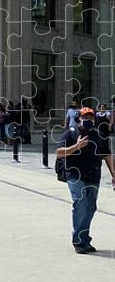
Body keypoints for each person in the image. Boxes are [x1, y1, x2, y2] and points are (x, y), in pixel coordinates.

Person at [56, 106, 115, 253]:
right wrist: (76, 146)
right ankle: (78, 241)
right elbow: (59, 153)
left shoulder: (100, 135)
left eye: (91, 117)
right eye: (85, 117)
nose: (88, 120)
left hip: (93, 176)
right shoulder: (70, 133)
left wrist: (114, 173)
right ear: (79, 118)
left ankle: (84, 238)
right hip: (75, 175)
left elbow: (107, 155)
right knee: (80, 203)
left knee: (90, 208)